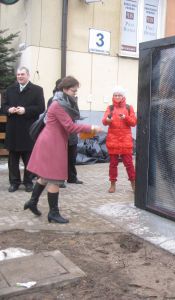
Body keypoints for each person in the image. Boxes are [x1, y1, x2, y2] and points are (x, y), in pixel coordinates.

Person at [24, 76, 102, 223]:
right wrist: (91, 128)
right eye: (73, 90)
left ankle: (32, 202)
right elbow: (70, 127)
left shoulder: (62, 102)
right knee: (55, 179)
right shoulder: (58, 105)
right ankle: (53, 213)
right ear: (65, 89)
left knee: (44, 176)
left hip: (52, 141)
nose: (75, 93)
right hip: (52, 144)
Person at [2, 66, 45, 193]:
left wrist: (25, 110)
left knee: (29, 157)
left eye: (22, 74)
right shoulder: (10, 90)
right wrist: (8, 110)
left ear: (28, 75)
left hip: (28, 129)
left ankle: (28, 182)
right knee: (13, 159)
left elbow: (41, 108)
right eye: (18, 74)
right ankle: (14, 182)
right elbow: (3, 106)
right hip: (13, 129)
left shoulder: (37, 90)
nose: (20, 76)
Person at [47, 79, 83, 188]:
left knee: (72, 156)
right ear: (63, 88)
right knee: (60, 158)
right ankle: (59, 179)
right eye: (73, 90)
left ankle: (72, 177)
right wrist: (88, 128)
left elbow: (76, 115)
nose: (75, 92)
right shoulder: (54, 101)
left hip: (71, 133)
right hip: (60, 133)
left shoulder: (72, 100)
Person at [102, 86, 137, 193]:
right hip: (113, 140)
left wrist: (125, 118)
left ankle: (133, 183)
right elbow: (104, 121)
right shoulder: (110, 108)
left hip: (125, 140)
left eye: (119, 95)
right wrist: (108, 119)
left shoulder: (128, 107)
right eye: (115, 95)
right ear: (113, 96)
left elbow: (134, 122)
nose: (117, 97)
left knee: (129, 164)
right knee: (113, 164)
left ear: (123, 96)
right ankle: (112, 184)